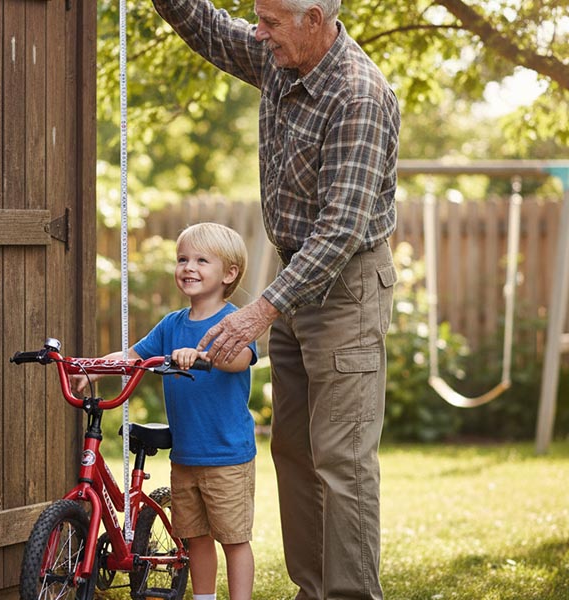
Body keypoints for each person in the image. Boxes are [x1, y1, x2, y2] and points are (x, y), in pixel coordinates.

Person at [150, 1, 400, 599]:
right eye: (256, 20)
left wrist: (262, 309)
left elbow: (341, 229)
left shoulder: (358, 95)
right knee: (293, 449)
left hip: (347, 289)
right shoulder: (280, 59)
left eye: (269, 22)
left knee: (341, 458)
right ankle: (311, 591)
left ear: (314, 18)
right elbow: (206, 28)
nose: (257, 33)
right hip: (297, 282)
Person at [72, 222, 259, 600]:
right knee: (195, 537)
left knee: (233, 539)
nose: (188, 267)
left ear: (229, 273)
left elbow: (241, 359)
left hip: (226, 454)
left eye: (201, 260)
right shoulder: (171, 325)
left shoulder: (234, 322)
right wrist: (98, 367)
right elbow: (133, 355)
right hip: (186, 454)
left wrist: (203, 355)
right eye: (182, 259)